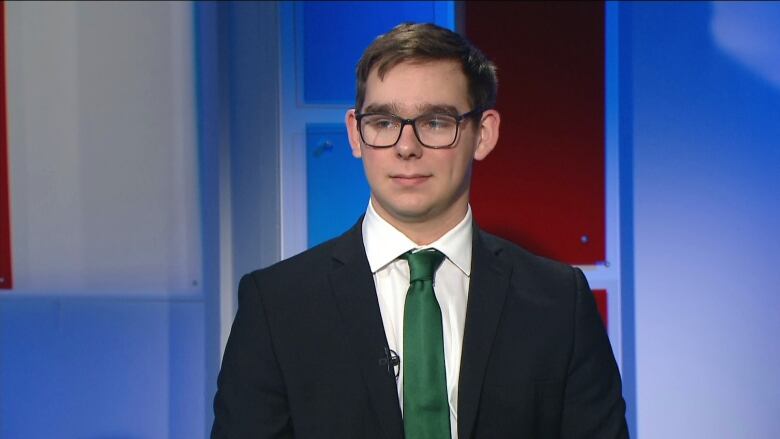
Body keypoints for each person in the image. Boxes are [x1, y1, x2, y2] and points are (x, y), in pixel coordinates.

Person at [211, 23, 628, 439]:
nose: (406, 146)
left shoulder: (559, 303)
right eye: (384, 121)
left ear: (483, 134)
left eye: (434, 122)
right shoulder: (276, 304)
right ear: (356, 134)